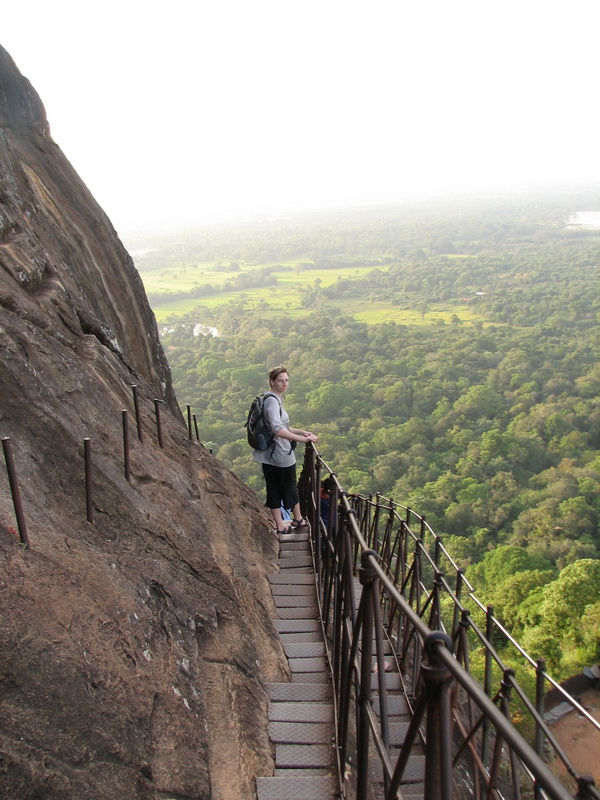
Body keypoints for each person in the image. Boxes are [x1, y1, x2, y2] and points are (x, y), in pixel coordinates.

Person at [253, 365, 318, 534]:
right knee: (289, 487)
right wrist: (304, 439)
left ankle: (282, 524)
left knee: (274, 486)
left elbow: (282, 427)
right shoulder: (272, 402)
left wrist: (301, 431)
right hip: (280, 454)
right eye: (280, 380)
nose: (284, 384)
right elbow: (277, 430)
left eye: (286, 380)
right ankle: (296, 519)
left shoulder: (269, 398)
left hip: (268, 454)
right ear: (272, 382)